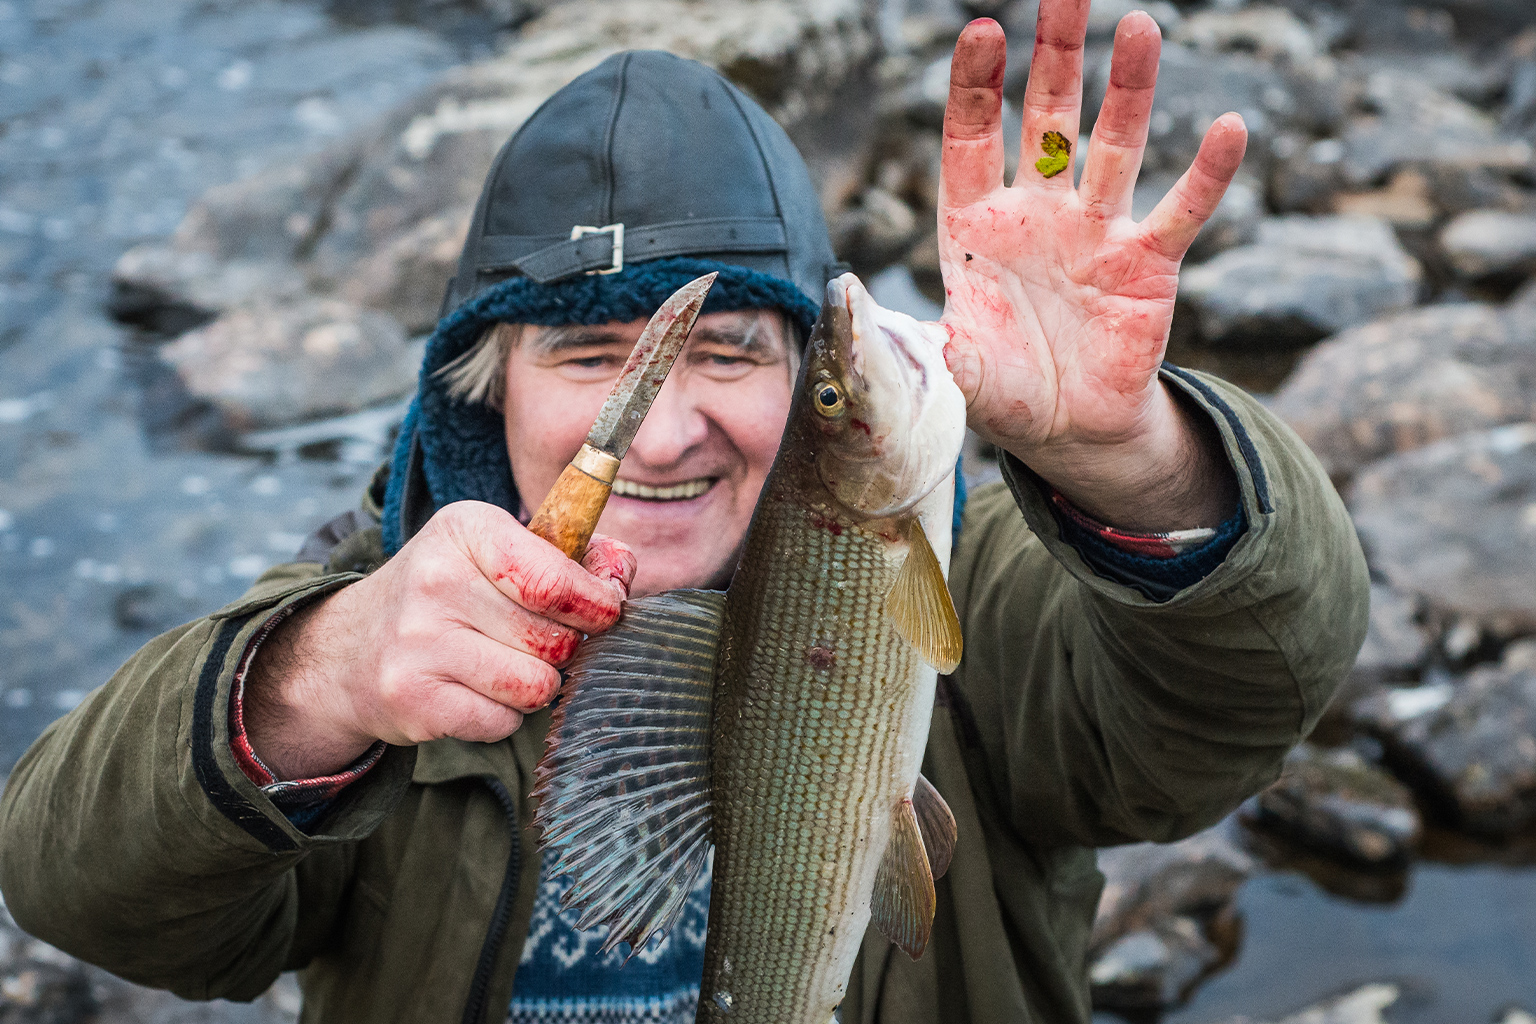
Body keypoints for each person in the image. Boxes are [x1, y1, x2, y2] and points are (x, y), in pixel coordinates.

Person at [0, 7, 1369, 1024]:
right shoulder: (383, 627)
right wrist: (305, 681)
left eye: (731, 352)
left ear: (802, 372)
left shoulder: (989, 595)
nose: (662, 428)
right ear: (487, 399)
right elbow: (76, 890)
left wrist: (1129, 457)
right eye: (589, 359)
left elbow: (1246, 695)